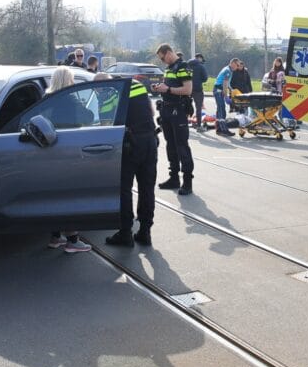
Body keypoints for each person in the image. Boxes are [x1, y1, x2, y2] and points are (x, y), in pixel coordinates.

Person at [100, 73, 159, 247]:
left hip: (129, 144)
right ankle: (145, 231)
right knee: (147, 187)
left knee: (124, 189)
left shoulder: (109, 95)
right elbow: (151, 111)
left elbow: (105, 126)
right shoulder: (136, 84)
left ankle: (125, 232)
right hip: (150, 140)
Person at [44, 66, 92, 253]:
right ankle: (73, 240)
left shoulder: (46, 97)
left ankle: (55, 237)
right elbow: (89, 117)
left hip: (48, 152)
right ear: (68, 80)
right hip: (69, 152)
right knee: (71, 197)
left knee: (54, 195)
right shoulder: (70, 99)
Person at [153, 43, 195, 195]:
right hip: (167, 110)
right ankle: (174, 178)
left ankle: (187, 182)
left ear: (169, 53)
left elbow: (188, 89)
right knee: (171, 146)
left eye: (162, 58)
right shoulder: (169, 68)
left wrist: (168, 89)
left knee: (182, 146)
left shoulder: (183, 67)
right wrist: (160, 87)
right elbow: (168, 86)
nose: (163, 61)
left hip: (178, 111)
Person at [212, 58, 239, 123]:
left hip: (218, 89)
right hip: (218, 90)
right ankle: (221, 124)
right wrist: (226, 96)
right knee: (221, 108)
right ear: (233, 63)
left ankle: (219, 124)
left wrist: (231, 90)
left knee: (220, 108)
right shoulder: (228, 71)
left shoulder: (229, 70)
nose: (237, 67)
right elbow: (225, 84)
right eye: (237, 65)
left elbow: (227, 83)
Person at [186, 53, 208, 130]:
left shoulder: (186, 65)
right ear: (199, 58)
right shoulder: (201, 66)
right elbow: (205, 78)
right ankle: (199, 126)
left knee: (186, 106)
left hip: (187, 88)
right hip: (197, 89)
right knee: (198, 108)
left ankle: (184, 123)